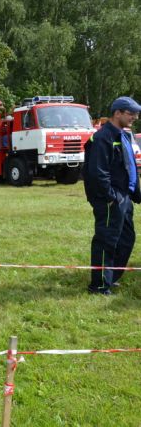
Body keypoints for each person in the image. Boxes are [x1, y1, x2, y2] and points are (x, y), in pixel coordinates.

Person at [83, 96, 141, 295]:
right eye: (131, 113)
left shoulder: (124, 135)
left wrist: (135, 194)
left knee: (126, 239)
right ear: (117, 113)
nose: (135, 117)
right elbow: (97, 172)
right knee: (106, 240)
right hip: (111, 199)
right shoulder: (103, 137)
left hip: (125, 197)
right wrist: (111, 197)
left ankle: (111, 277)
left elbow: (129, 167)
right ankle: (99, 286)